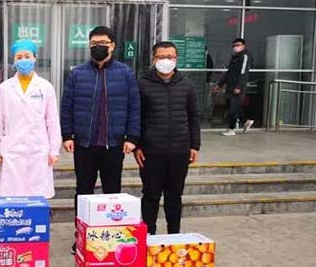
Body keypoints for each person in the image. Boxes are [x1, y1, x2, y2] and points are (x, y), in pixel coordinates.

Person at [60, 26, 141, 254]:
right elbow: (67, 106)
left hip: (113, 144)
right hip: (84, 144)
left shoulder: (125, 73)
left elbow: (134, 106)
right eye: (94, 43)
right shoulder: (77, 73)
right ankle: (81, 238)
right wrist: (67, 135)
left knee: (112, 193)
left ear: (112, 45)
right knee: (83, 193)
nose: (98, 47)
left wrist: (132, 137)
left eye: (103, 43)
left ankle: (111, 237)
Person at [135, 41, 201, 235]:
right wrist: (137, 145)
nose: (166, 60)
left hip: (180, 150)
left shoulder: (187, 84)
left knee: (174, 196)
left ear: (176, 59)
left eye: (170, 57)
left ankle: (174, 235)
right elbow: (137, 116)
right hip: (151, 151)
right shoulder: (142, 83)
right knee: (151, 195)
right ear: (154, 59)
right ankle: (149, 236)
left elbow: (193, 116)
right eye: (161, 57)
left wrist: (194, 145)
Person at [0, 39, 61, 198]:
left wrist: (54, 150)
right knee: (13, 197)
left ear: (34, 58)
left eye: (27, 56)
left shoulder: (45, 87)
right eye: (19, 57)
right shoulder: (5, 88)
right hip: (12, 150)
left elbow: (52, 121)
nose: (23, 60)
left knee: (37, 198)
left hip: (38, 150)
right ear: (14, 61)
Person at [214, 38, 254, 136]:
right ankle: (245, 121)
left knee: (234, 107)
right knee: (232, 107)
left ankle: (231, 129)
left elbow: (243, 73)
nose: (235, 47)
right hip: (230, 86)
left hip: (238, 87)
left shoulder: (245, 57)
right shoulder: (234, 58)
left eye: (238, 45)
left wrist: (238, 86)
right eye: (234, 45)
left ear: (243, 46)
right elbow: (228, 73)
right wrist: (219, 84)